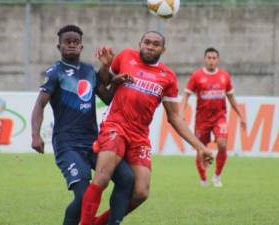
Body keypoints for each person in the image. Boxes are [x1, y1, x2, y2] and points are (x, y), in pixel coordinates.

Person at [79, 31, 213, 225]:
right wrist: (106, 65)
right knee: (102, 177)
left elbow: (175, 117)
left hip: (139, 135)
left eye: (156, 44)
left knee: (141, 192)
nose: (150, 46)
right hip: (115, 125)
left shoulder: (168, 77)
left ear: (163, 49)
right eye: (147, 42)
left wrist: (200, 147)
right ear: (139, 44)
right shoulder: (125, 57)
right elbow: (106, 84)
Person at [31, 25, 135, 225]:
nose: (71, 45)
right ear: (59, 46)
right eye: (67, 42)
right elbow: (40, 104)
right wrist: (35, 134)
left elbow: (106, 97)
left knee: (127, 179)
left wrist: (116, 82)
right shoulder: (55, 72)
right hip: (68, 144)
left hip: (95, 142)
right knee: (83, 196)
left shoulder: (89, 70)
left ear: (81, 46)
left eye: (75, 42)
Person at [180, 47, 246, 187]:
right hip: (202, 120)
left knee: (222, 144)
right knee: (201, 150)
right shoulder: (197, 76)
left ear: (218, 60)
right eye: (209, 58)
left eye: (214, 58)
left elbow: (231, 98)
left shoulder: (224, 76)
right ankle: (203, 177)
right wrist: (181, 113)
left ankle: (217, 176)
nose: (211, 60)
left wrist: (241, 116)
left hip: (219, 118)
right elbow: (186, 96)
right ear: (205, 59)